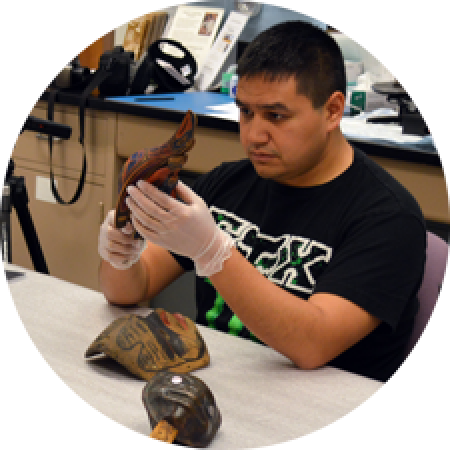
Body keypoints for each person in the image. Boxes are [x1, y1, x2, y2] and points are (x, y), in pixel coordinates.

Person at [98, 21, 426, 383]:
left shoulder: (389, 216)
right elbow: (130, 290)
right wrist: (122, 253)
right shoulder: (228, 182)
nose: (253, 135)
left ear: (332, 111)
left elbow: (312, 344)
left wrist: (213, 252)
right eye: (246, 112)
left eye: (276, 116)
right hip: (225, 385)